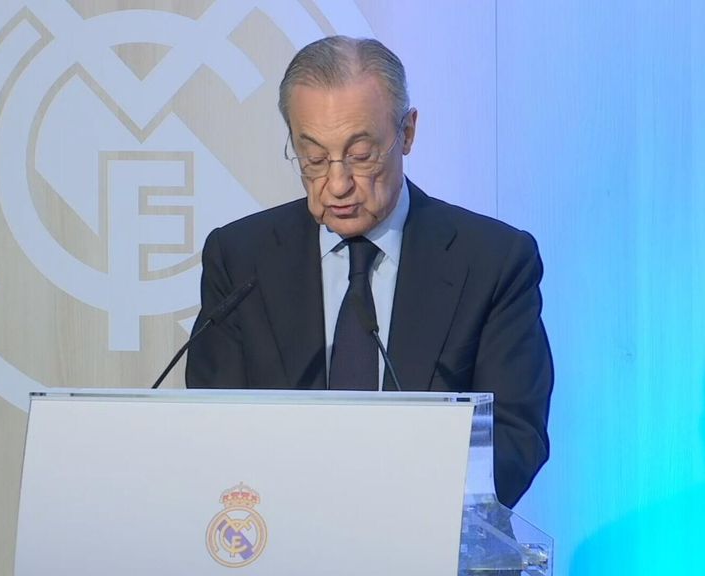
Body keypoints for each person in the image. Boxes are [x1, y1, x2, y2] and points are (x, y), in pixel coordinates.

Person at [185, 36, 552, 508]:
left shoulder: (493, 261)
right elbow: (210, 428)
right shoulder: (239, 258)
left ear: (407, 133)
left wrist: (390, 511)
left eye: (361, 155)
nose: (337, 184)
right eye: (313, 158)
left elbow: (516, 439)